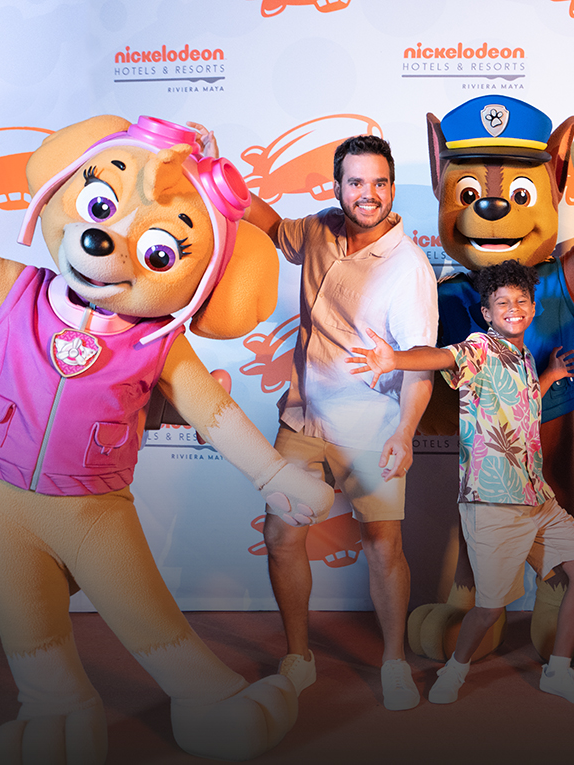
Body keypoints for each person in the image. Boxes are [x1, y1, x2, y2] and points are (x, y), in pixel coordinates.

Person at [213, 129, 438, 711]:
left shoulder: (409, 266)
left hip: (372, 427)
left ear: (392, 189)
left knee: (383, 545)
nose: (369, 194)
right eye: (357, 182)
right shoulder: (317, 229)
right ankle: (298, 656)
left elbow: (421, 363)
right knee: (281, 535)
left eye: (380, 183)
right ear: (337, 187)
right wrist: (215, 168)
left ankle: (394, 663)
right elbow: (266, 223)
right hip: (303, 419)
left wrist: (405, 433)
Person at [348, 260, 574, 706]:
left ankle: (557, 672)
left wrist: (550, 376)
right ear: (487, 312)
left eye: (521, 300)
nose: (513, 308)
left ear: (533, 307)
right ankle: (456, 669)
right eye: (502, 302)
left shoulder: (524, 357)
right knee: (488, 608)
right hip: (494, 502)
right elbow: (442, 357)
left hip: (536, 497)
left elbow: (524, 406)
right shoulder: (480, 347)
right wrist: (394, 359)